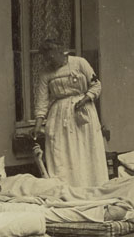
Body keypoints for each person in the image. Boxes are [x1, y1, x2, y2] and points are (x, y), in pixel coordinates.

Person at [32, 39, 108, 187]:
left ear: (61, 52)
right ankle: (68, 190)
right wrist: (38, 125)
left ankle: (93, 187)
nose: (49, 61)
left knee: (85, 149)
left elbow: (96, 85)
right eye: (46, 58)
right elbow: (42, 102)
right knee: (62, 153)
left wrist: (85, 99)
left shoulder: (79, 63)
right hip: (59, 117)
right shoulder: (45, 73)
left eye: (51, 56)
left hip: (82, 113)